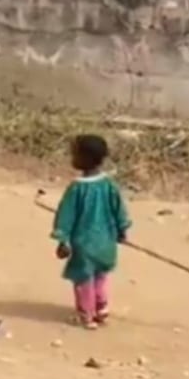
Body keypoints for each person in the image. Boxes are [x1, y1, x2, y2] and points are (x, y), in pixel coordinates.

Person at [52, 134, 131, 330]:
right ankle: (101, 309)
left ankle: (86, 314)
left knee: (83, 277)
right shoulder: (108, 185)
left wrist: (63, 239)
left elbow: (66, 215)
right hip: (106, 242)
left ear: (85, 158)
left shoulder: (76, 189)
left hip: (84, 243)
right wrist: (122, 230)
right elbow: (119, 209)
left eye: (74, 154)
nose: (72, 158)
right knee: (101, 275)